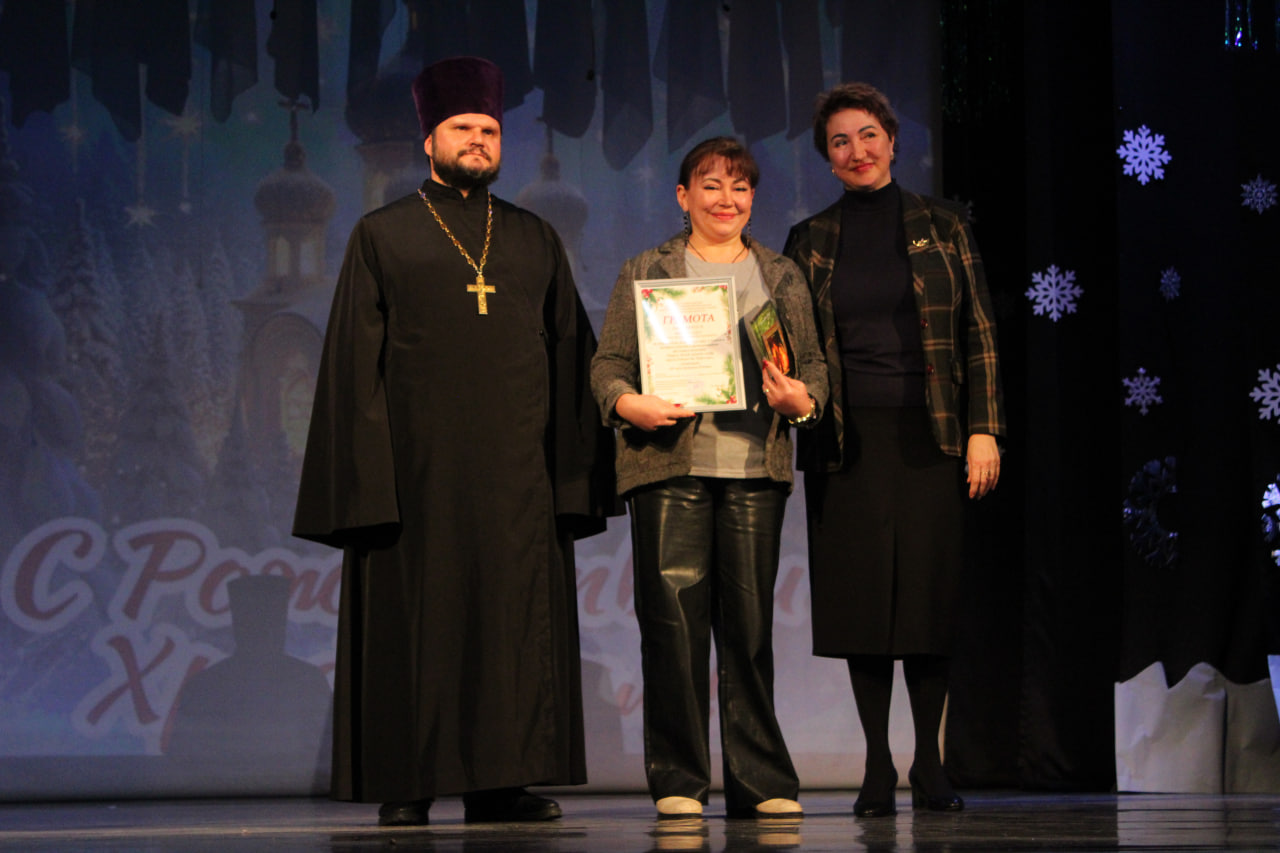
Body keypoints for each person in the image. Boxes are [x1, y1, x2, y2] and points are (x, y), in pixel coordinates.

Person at [292, 56, 616, 827]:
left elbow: (572, 355)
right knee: (418, 625)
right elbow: (353, 368)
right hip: (416, 478)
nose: (478, 140)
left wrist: (572, 477)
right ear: (429, 139)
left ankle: (500, 782)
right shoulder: (382, 236)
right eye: (463, 127)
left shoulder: (534, 238)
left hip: (517, 478)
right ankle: (408, 781)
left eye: (489, 130)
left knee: (510, 628)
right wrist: (369, 484)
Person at [783, 82, 1006, 817]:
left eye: (868, 135)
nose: (857, 151)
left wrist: (983, 428)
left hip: (933, 433)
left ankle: (929, 763)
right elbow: (791, 343)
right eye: (840, 141)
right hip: (845, 440)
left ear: (892, 140)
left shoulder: (944, 225)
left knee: (928, 603)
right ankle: (877, 764)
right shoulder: (810, 239)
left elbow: (979, 332)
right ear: (828, 158)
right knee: (864, 606)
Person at [591, 137, 828, 820]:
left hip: (754, 468)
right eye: (712, 185)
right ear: (683, 195)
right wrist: (628, 403)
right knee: (673, 627)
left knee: (748, 630)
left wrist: (803, 401)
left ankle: (761, 779)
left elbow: (814, 368)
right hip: (669, 463)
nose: (727, 199)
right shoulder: (649, 268)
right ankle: (679, 778)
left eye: (740, 187)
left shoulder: (780, 274)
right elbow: (608, 363)